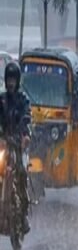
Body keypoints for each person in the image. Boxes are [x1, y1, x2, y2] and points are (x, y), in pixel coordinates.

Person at [0, 62, 31, 234]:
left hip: (18, 146)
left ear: (17, 80)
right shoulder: (1, 100)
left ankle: (24, 215)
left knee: (22, 172)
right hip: (3, 144)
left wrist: (24, 136)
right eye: (9, 79)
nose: (11, 82)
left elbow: (27, 117)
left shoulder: (23, 99)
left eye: (13, 79)